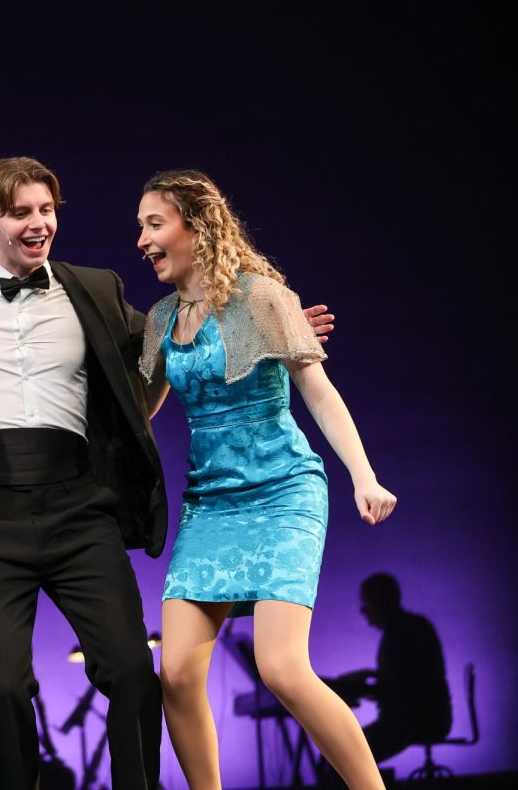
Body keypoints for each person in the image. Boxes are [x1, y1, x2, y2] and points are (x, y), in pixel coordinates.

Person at [0, 156, 168, 790]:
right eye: (21, 212)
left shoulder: (96, 287)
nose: (38, 223)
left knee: (133, 671)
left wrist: (268, 322)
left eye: (46, 210)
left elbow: (169, 343)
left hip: (80, 506)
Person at [136, 169, 397, 789]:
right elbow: (139, 409)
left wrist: (364, 476)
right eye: (140, 227)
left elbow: (318, 391)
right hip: (211, 504)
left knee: (280, 667)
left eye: (154, 224)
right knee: (174, 673)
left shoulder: (261, 297)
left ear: (196, 227)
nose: (142, 240)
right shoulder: (162, 318)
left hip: (282, 490)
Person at [342, 573, 451, 763]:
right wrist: (372, 679)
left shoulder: (403, 633)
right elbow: (407, 680)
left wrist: (361, 685)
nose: (363, 611)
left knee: (342, 757)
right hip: (420, 719)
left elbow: (408, 687)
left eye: (366, 604)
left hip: (413, 722)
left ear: (381, 603)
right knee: (344, 754)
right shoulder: (411, 627)